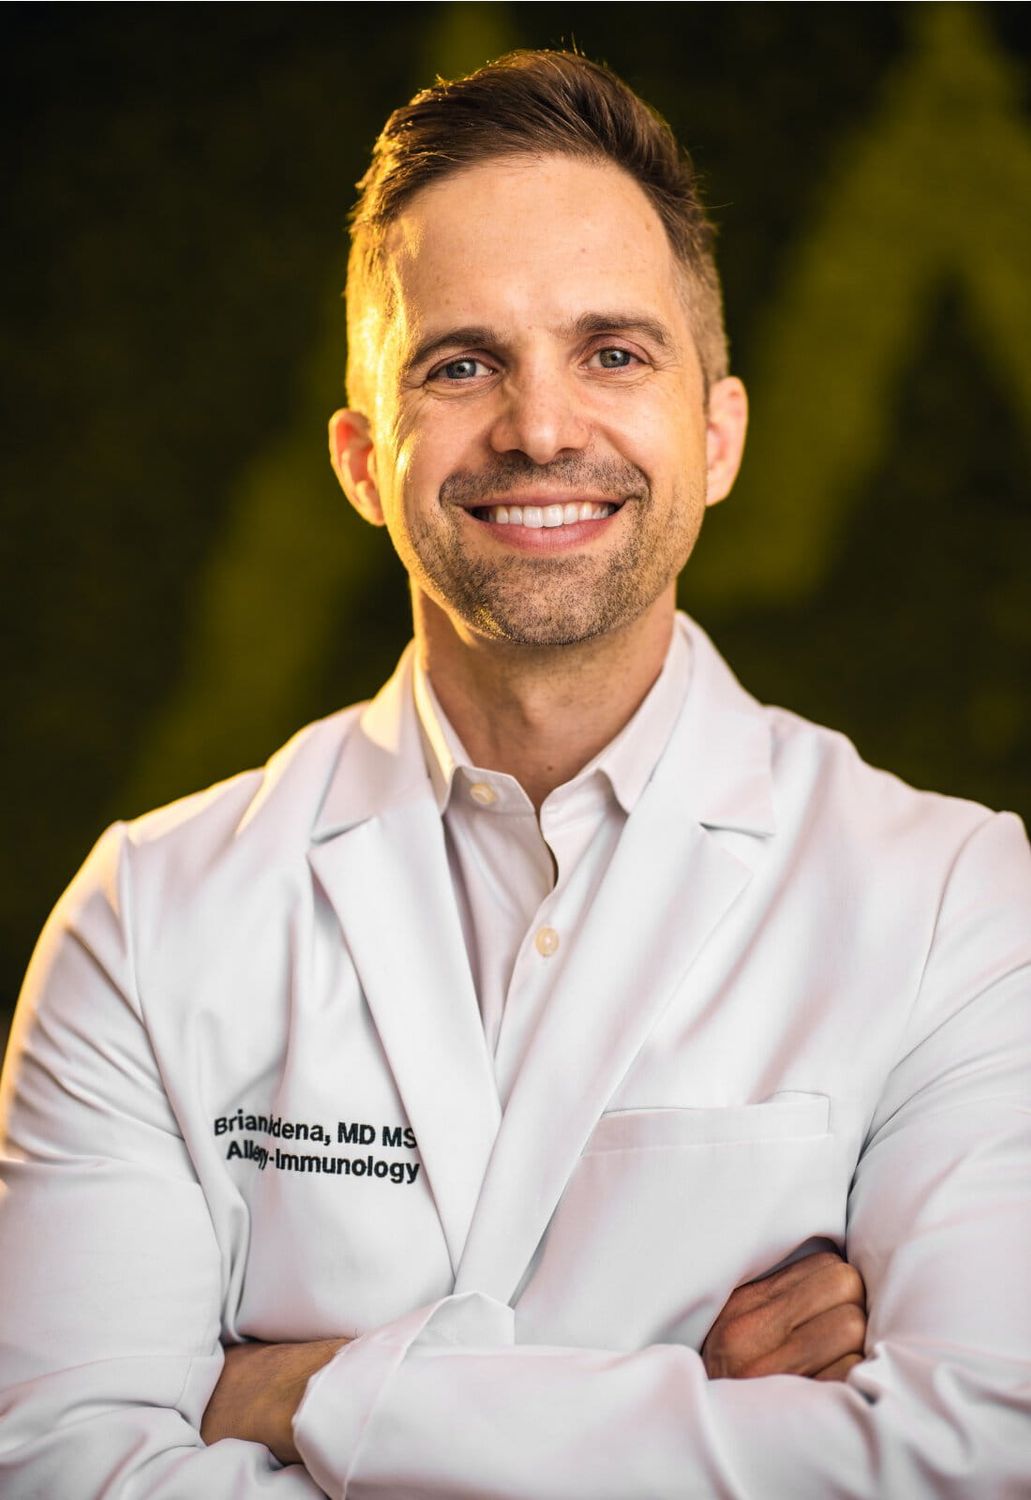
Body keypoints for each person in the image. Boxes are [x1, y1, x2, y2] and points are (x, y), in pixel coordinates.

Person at [1, 49, 1028, 1498]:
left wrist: (295, 1394)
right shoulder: (143, 922)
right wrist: (690, 1396)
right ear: (365, 459)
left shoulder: (954, 907)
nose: (542, 428)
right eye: (462, 363)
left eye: (614, 353)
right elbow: (61, 1475)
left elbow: (970, 1456)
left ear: (718, 433)